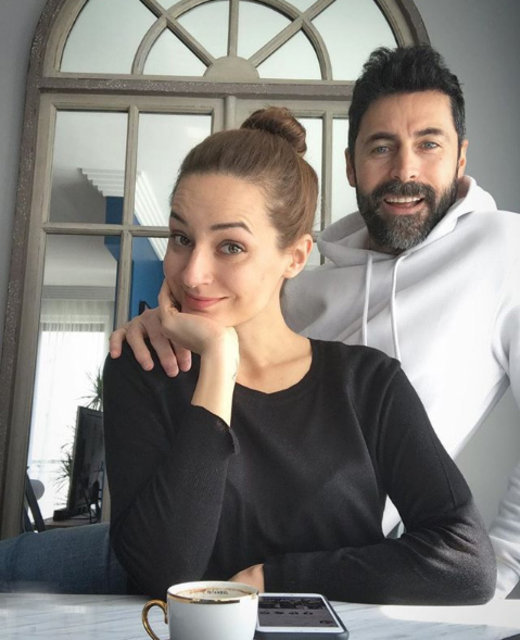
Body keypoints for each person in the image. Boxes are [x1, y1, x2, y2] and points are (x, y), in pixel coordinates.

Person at [110, 45, 520, 597]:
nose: (194, 272)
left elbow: (466, 563)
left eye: (231, 245)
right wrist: (216, 358)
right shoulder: (297, 294)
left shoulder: (495, 260)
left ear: (294, 257)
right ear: (351, 163)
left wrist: (507, 577)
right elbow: (164, 574)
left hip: (351, 565)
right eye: (181, 238)